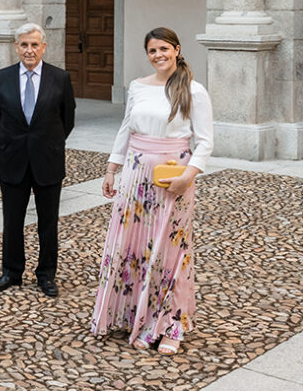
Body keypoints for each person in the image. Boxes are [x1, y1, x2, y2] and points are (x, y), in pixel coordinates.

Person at [91, 27, 212, 355]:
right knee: (134, 246)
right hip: (135, 176)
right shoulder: (138, 87)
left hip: (174, 179)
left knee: (170, 250)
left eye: (164, 49)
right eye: (152, 51)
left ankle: (171, 324)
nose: (159, 55)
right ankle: (139, 316)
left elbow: (205, 142)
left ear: (177, 49)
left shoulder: (193, 90)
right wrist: (111, 169)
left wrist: (188, 177)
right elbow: (126, 128)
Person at [0, 22, 76, 298]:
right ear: (16, 47)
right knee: (12, 221)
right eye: (24, 45)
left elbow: (67, 120)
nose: (29, 50)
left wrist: (45, 142)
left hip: (47, 160)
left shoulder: (60, 78)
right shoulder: (0, 78)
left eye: (34, 45)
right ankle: (11, 272)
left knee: (48, 223)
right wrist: (16, 142)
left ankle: (46, 275)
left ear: (44, 47)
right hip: (12, 161)